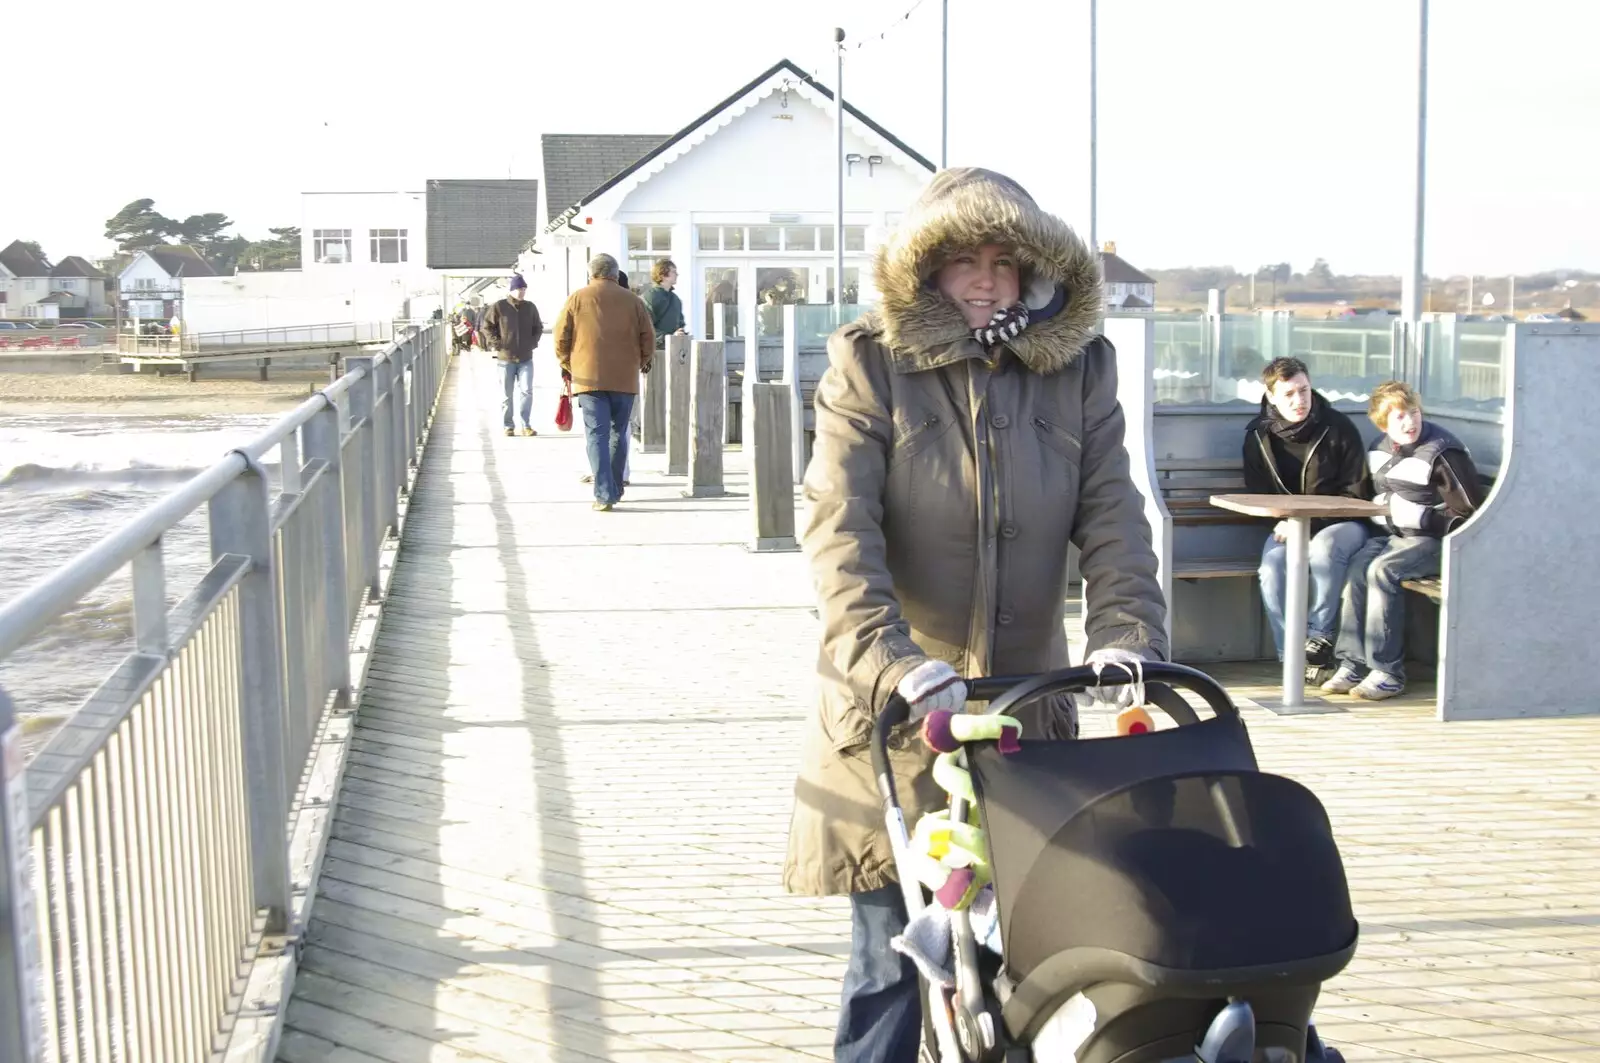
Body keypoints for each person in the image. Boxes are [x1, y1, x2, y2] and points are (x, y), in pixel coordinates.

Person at [780, 167, 1169, 1063]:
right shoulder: (869, 365)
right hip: (897, 716)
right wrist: (892, 660)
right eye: (963, 259)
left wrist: (1126, 634)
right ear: (925, 269)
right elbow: (839, 532)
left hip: (1025, 716)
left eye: (1004, 259)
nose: (986, 278)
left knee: (1028, 960)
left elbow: (1113, 514)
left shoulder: (1077, 371)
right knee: (889, 961)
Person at [1323, 382, 1484, 699]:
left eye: (1414, 413)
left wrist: (1424, 518)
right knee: (1356, 567)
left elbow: (1471, 516)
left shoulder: (1442, 451)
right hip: (1395, 535)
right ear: (1383, 423)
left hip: (1439, 542)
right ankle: (1352, 664)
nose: (1410, 423)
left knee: (1382, 571)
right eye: (1399, 417)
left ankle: (1387, 672)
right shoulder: (1379, 448)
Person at [1243, 356, 1372, 672]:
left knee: (1323, 551)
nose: (1299, 400)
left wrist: (1307, 520)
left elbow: (1357, 494)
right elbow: (1258, 495)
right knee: (1272, 568)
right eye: (1289, 394)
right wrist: (1287, 520)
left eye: (1304, 390)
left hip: (1345, 523)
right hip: (1289, 525)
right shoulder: (1258, 437)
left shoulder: (1338, 428)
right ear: (1271, 396)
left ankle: (1319, 639)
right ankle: (1293, 658)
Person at [555, 254, 654, 510]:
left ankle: (603, 493)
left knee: (596, 435)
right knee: (617, 433)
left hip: (589, 378)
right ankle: (616, 486)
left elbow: (561, 336)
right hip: (624, 377)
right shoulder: (633, 300)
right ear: (615, 272)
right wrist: (641, 362)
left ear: (591, 273)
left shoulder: (577, 298)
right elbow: (648, 337)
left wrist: (568, 364)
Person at [480, 275, 543, 437]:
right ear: (511, 290)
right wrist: (497, 343)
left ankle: (526, 425)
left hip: (526, 358)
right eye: (518, 289)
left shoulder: (530, 307)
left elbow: (538, 327)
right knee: (506, 395)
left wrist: (532, 343)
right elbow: (486, 327)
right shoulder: (499, 307)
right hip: (505, 359)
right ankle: (508, 426)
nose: (522, 292)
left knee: (527, 391)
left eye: (523, 289)